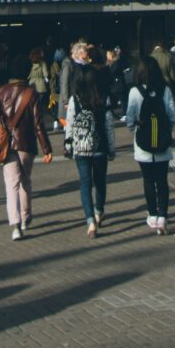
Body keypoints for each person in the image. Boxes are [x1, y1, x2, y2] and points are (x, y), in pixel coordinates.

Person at [0, 65, 53, 241]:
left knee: (12, 185)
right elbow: (38, 124)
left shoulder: (2, 91)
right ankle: (26, 217)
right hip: (26, 143)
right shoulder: (31, 93)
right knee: (25, 181)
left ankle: (16, 225)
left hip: (7, 144)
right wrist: (46, 148)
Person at [61, 44, 113, 236]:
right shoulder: (103, 98)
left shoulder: (75, 100)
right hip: (99, 144)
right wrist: (112, 148)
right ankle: (99, 210)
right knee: (100, 182)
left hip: (81, 145)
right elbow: (108, 125)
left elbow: (70, 123)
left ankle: (90, 220)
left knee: (85, 183)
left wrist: (68, 143)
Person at [128, 56, 175, 234]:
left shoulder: (135, 92)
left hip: (143, 146)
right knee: (162, 181)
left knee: (148, 180)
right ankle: (163, 216)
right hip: (162, 144)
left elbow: (130, 118)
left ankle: (153, 215)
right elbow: (173, 116)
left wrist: (136, 131)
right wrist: (165, 131)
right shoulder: (165, 90)